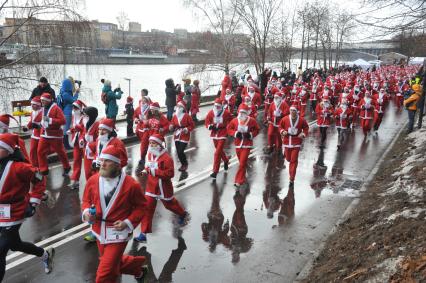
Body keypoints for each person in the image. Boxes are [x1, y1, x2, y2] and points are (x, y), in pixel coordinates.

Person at [81, 145, 148, 283]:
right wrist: (87, 212)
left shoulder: (131, 185)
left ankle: (135, 270)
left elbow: (142, 207)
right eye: (102, 160)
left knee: (104, 274)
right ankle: (138, 269)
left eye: (108, 161)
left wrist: (127, 222)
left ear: (118, 165)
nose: (102, 164)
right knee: (112, 263)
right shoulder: (93, 180)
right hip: (99, 231)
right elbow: (86, 200)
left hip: (118, 234)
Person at [0, 133, 54, 281]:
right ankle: (45, 255)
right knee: (15, 245)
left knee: (1, 249)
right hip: (1, 212)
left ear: (9, 150)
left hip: (15, 211)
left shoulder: (20, 167)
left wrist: (34, 201)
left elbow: (39, 178)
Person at [135, 134, 188, 243]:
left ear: (159, 144)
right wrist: (145, 171)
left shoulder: (167, 158)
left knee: (170, 205)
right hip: (151, 187)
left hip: (163, 188)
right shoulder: (150, 154)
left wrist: (154, 172)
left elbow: (170, 173)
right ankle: (143, 234)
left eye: (153, 143)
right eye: (150, 143)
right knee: (147, 209)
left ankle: (182, 213)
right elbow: (148, 166)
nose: (151, 145)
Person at [84, 118, 127, 243]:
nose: (101, 132)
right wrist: (95, 162)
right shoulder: (98, 140)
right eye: (100, 129)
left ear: (110, 130)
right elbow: (97, 155)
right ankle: (95, 230)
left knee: (109, 205)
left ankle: (114, 230)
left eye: (104, 130)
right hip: (100, 176)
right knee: (96, 203)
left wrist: (111, 165)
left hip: (112, 178)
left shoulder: (117, 143)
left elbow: (123, 160)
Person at [37, 93, 71, 176]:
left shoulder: (56, 108)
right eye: (41, 100)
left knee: (60, 152)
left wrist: (50, 120)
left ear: (48, 101)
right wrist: (41, 123)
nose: (42, 102)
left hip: (55, 135)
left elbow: (63, 121)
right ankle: (44, 169)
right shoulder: (43, 108)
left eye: (43, 100)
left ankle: (67, 167)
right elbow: (43, 119)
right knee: (40, 151)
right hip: (44, 134)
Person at [227, 104, 260, 188]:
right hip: (238, 145)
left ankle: (238, 181)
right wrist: (235, 133)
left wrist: (251, 134)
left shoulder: (251, 120)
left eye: (244, 113)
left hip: (247, 145)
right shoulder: (234, 121)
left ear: (246, 113)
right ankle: (242, 177)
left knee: (242, 163)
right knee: (242, 163)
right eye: (240, 112)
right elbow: (229, 129)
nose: (242, 114)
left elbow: (257, 129)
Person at [279, 105, 309, 188]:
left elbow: (306, 127)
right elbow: (280, 126)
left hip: (296, 141)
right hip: (287, 141)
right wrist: (282, 131)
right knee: (288, 159)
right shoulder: (285, 119)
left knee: (293, 160)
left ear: (297, 111)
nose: (292, 112)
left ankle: (292, 178)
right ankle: (286, 154)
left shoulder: (302, 120)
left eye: (294, 110)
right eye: (291, 110)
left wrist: (303, 133)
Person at [205, 99, 232, 179]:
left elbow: (231, 121)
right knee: (219, 150)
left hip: (223, 133)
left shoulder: (226, 112)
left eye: (218, 106)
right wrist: (210, 126)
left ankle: (215, 171)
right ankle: (226, 160)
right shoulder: (211, 113)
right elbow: (207, 122)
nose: (216, 107)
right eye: (215, 105)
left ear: (221, 106)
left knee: (217, 153)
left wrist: (228, 128)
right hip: (214, 133)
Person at [170, 101, 195, 172]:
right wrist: (171, 126)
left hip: (184, 135)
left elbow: (192, 125)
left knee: (180, 151)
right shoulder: (175, 116)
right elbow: (172, 123)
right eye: (177, 106)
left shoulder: (187, 116)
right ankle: (183, 164)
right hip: (177, 135)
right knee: (178, 152)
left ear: (183, 108)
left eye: (179, 106)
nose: (178, 107)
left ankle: (185, 164)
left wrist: (187, 129)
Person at [68, 100, 86, 189]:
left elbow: (85, 130)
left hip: (84, 142)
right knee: (76, 160)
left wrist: (82, 138)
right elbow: (75, 127)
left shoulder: (85, 117)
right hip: (76, 141)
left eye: (76, 108)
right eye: (73, 108)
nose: (74, 110)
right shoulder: (74, 117)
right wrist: (71, 131)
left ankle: (92, 180)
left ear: (80, 109)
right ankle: (75, 180)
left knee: (87, 162)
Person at [57, 78, 78, 149]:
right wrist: (77, 93)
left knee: (65, 128)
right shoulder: (66, 94)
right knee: (66, 129)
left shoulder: (62, 92)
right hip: (67, 113)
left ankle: (64, 144)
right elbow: (74, 100)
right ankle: (66, 145)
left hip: (64, 112)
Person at [134, 96, 151, 171]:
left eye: (145, 101)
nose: (143, 102)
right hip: (139, 129)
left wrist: (148, 121)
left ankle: (142, 161)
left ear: (148, 102)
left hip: (147, 130)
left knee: (143, 145)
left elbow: (155, 118)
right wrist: (136, 119)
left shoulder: (150, 110)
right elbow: (135, 115)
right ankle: (144, 157)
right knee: (143, 145)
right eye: (142, 101)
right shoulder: (138, 109)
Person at [81, 106, 99, 180]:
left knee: (95, 173)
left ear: (91, 116)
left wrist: (91, 145)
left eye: (86, 116)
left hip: (95, 154)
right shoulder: (87, 124)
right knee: (87, 172)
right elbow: (83, 134)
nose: (84, 117)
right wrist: (82, 140)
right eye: (84, 115)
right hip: (87, 153)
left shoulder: (98, 125)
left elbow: (100, 142)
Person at [27, 97, 43, 167]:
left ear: (39, 105)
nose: (32, 106)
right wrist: (27, 127)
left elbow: (45, 124)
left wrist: (38, 126)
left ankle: (41, 166)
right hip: (34, 135)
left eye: (34, 104)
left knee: (40, 152)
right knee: (32, 151)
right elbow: (31, 122)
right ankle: (33, 166)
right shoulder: (32, 113)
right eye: (31, 104)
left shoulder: (44, 112)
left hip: (41, 135)